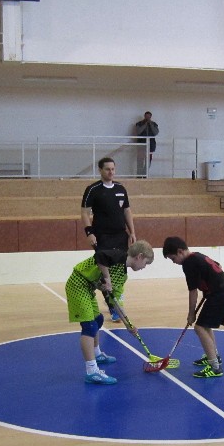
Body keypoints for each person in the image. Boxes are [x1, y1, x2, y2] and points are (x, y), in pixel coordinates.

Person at [66, 240, 155, 385]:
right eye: (145, 263)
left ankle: (97, 354)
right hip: (78, 284)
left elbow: (116, 302)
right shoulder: (119, 256)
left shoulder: (122, 276)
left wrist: (128, 324)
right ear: (139, 256)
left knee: (98, 320)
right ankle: (92, 372)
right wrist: (107, 278)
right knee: (89, 326)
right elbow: (100, 256)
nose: (144, 267)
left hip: (88, 288)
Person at [162, 236, 224, 379]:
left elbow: (193, 291)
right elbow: (218, 265)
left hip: (219, 295)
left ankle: (215, 367)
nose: (174, 262)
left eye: (173, 258)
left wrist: (191, 314)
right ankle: (213, 356)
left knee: (199, 328)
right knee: (205, 326)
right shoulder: (197, 256)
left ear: (180, 251)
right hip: (222, 292)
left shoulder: (188, 263)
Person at [81, 156, 136, 321]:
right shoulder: (93, 189)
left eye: (113, 169)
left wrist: (132, 232)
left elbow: (127, 211)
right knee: (106, 272)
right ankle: (113, 306)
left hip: (120, 236)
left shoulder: (121, 188)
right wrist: (89, 233)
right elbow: (85, 213)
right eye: (107, 169)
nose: (111, 172)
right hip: (102, 237)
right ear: (100, 170)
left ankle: (115, 301)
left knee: (119, 271)